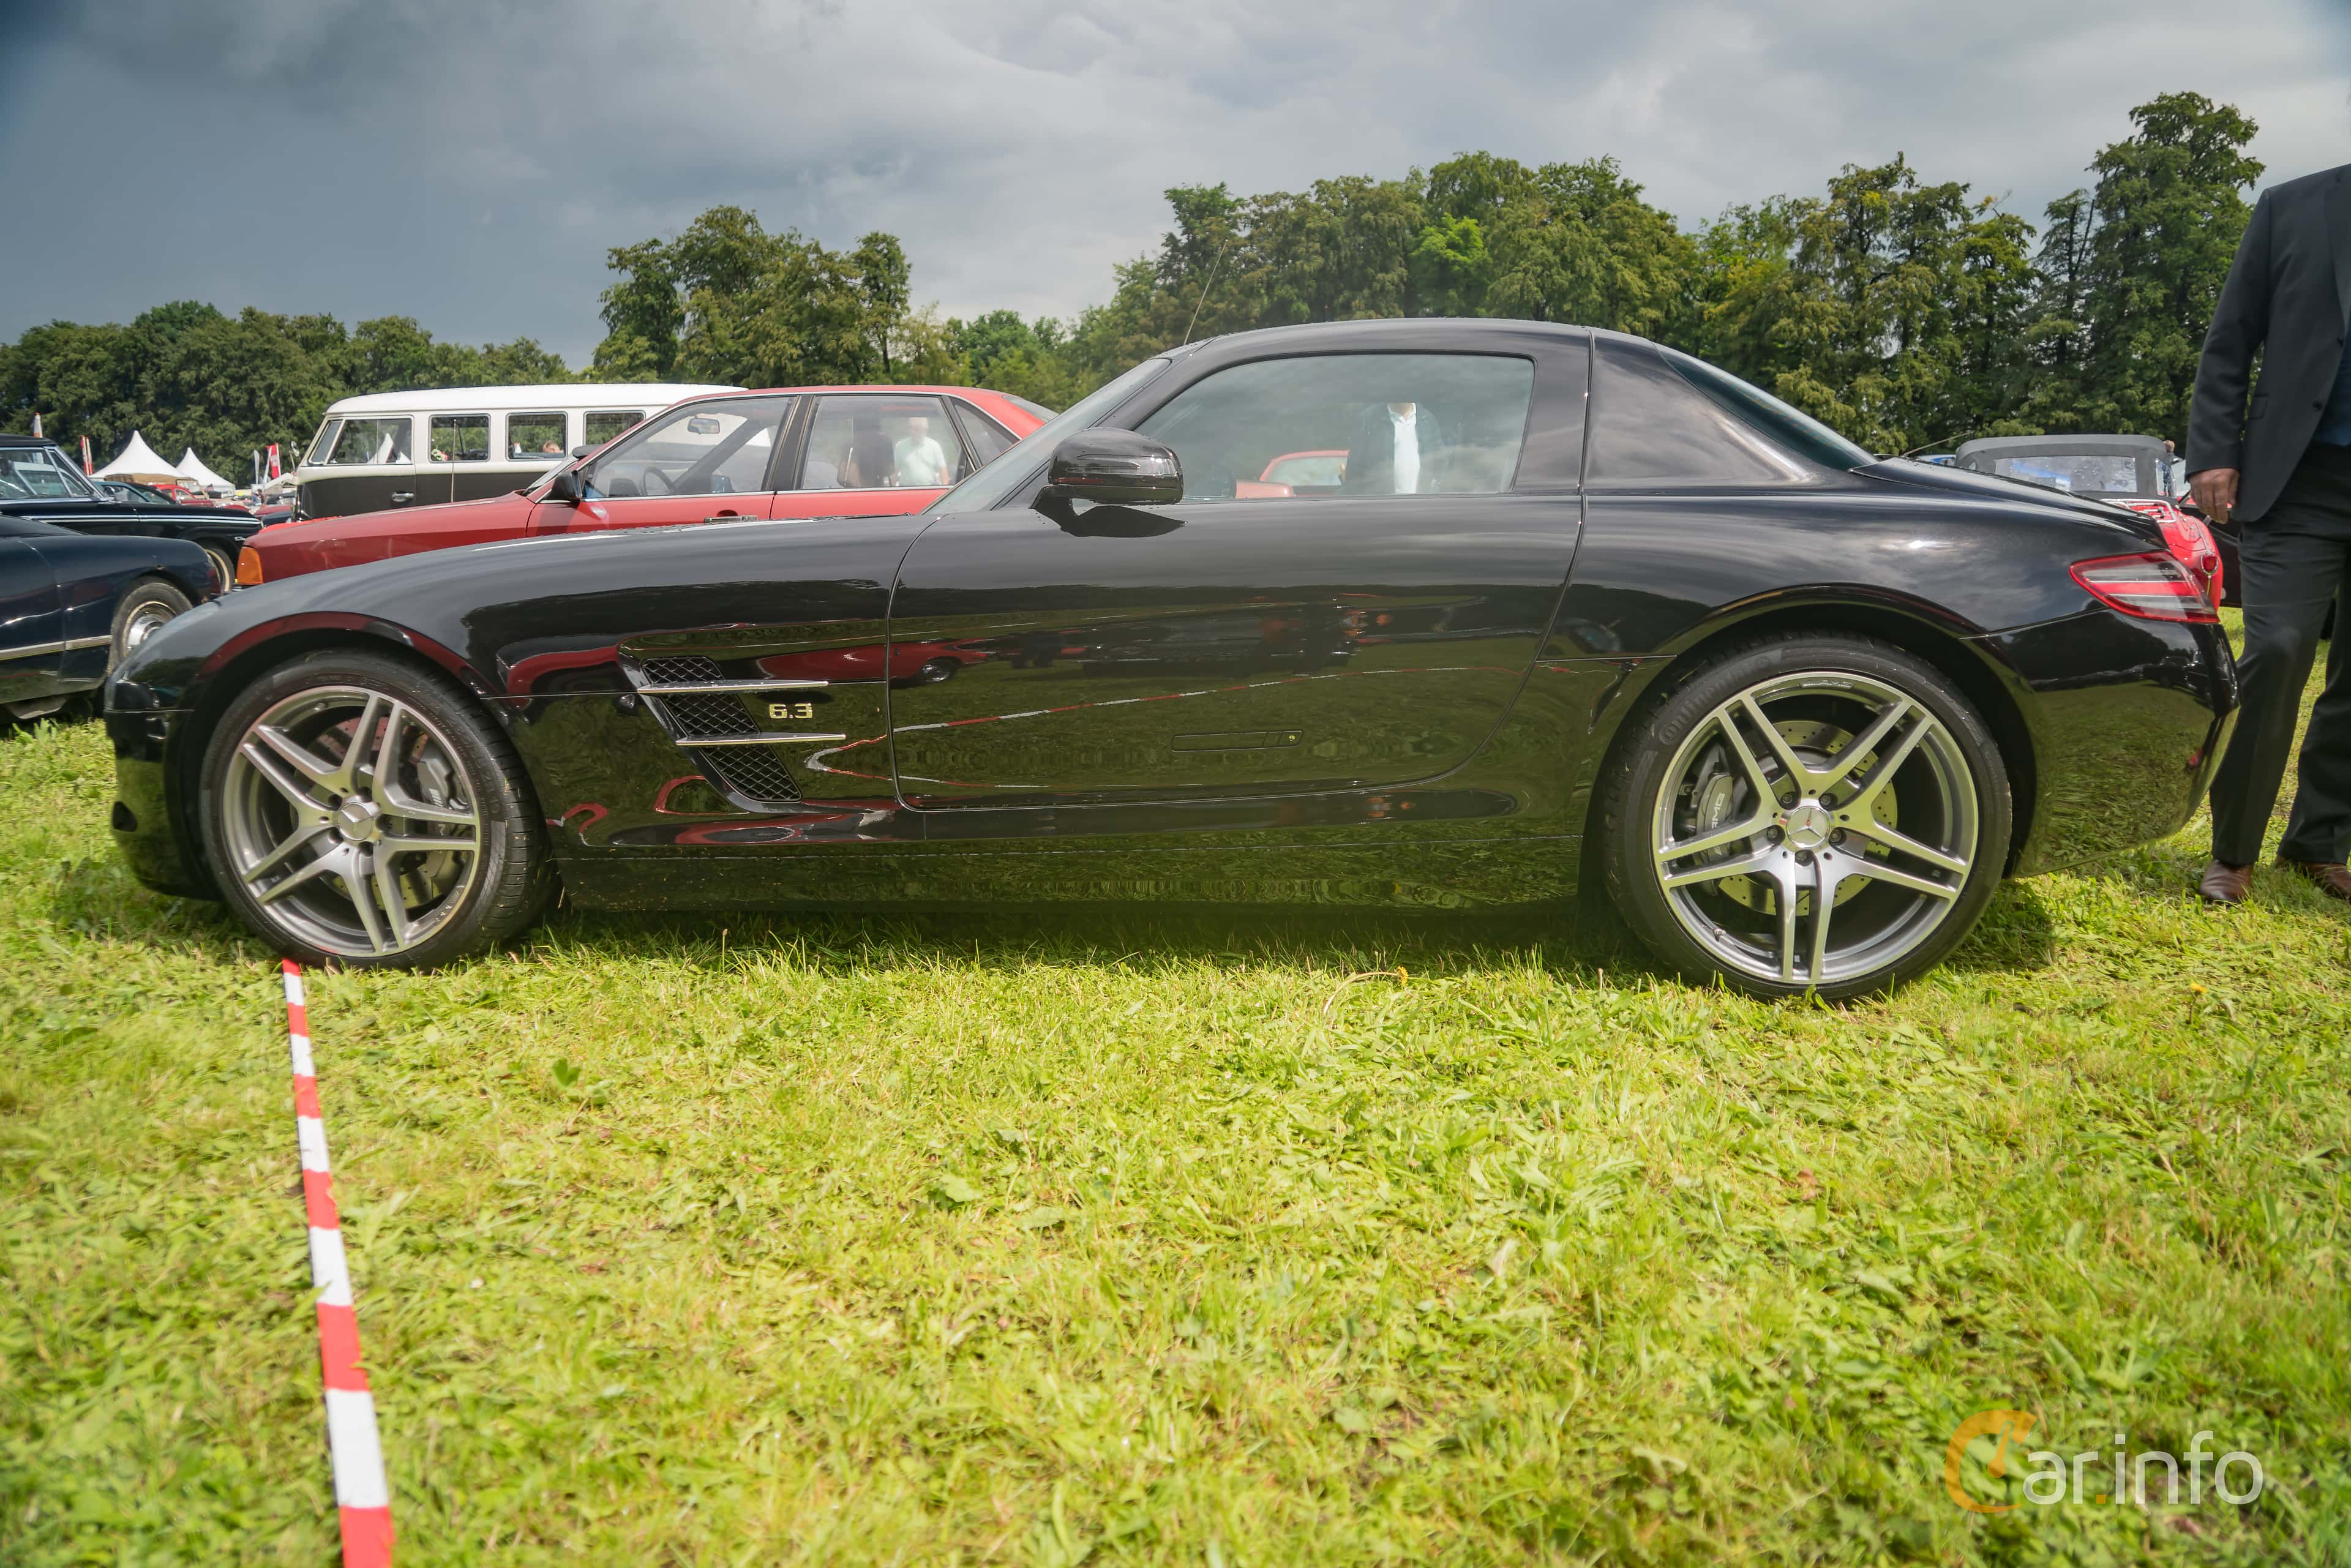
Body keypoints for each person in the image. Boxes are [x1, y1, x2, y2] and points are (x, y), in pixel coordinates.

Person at [2185, 161, 2351, 906]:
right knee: (2280, 650)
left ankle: (2319, 840)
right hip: (2300, 478)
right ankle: (2234, 849)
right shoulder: (2293, 208)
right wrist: (2215, 451)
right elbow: (2230, 340)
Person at [1342, 400, 1442, 494]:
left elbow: (1440, 466)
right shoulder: (1368, 420)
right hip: (1380, 509)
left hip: (1421, 508)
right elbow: (1354, 477)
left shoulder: (1427, 420)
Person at [894, 415, 951, 488]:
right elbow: (895, 470)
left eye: (916, 429)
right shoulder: (900, 446)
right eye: (911, 428)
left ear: (925, 430)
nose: (912, 432)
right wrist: (891, 489)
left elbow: (943, 470)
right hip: (905, 490)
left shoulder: (934, 446)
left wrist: (945, 491)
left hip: (929, 489)